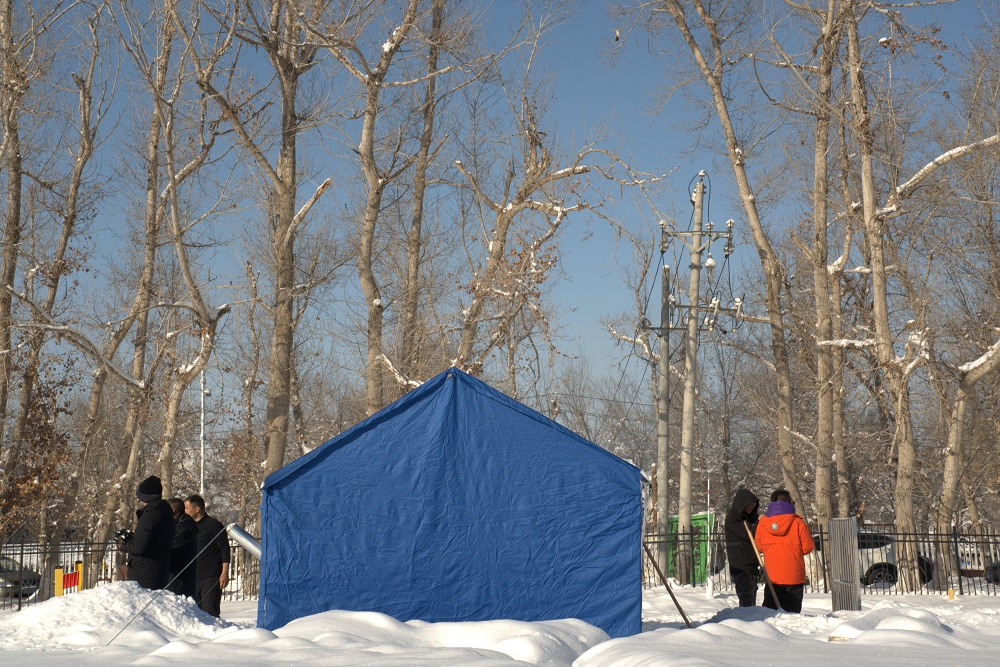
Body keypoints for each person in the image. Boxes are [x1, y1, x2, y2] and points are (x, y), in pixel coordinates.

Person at [754, 489, 815, 613]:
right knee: (792, 615)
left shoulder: (763, 524)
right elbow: (808, 547)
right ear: (789, 502)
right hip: (794, 576)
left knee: (771, 615)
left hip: (772, 578)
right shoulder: (798, 523)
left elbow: (759, 548)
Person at [120, 475, 174, 590]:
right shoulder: (165, 512)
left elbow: (139, 547)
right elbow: (151, 540)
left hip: (144, 573)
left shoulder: (149, 517)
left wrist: (124, 545)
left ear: (144, 497)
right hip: (160, 569)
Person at [184, 494, 231, 616]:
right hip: (192, 578)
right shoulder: (187, 525)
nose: (185, 511)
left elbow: (224, 549)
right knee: (194, 615)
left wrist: (224, 573)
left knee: (210, 613)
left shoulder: (214, 525)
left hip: (210, 578)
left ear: (197, 509)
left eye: (187, 508)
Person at [724, 488, 761, 607]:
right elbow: (748, 534)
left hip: (751, 564)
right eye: (749, 504)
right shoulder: (733, 518)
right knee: (746, 600)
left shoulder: (748, 517)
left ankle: (751, 622)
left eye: (753, 505)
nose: (751, 507)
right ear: (742, 503)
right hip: (741, 565)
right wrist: (759, 524)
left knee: (752, 597)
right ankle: (746, 623)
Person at [166, 497, 198, 598]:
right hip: (177, 578)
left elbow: (172, 549)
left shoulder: (183, 529)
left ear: (173, 512)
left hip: (178, 579)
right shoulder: (180, 526)